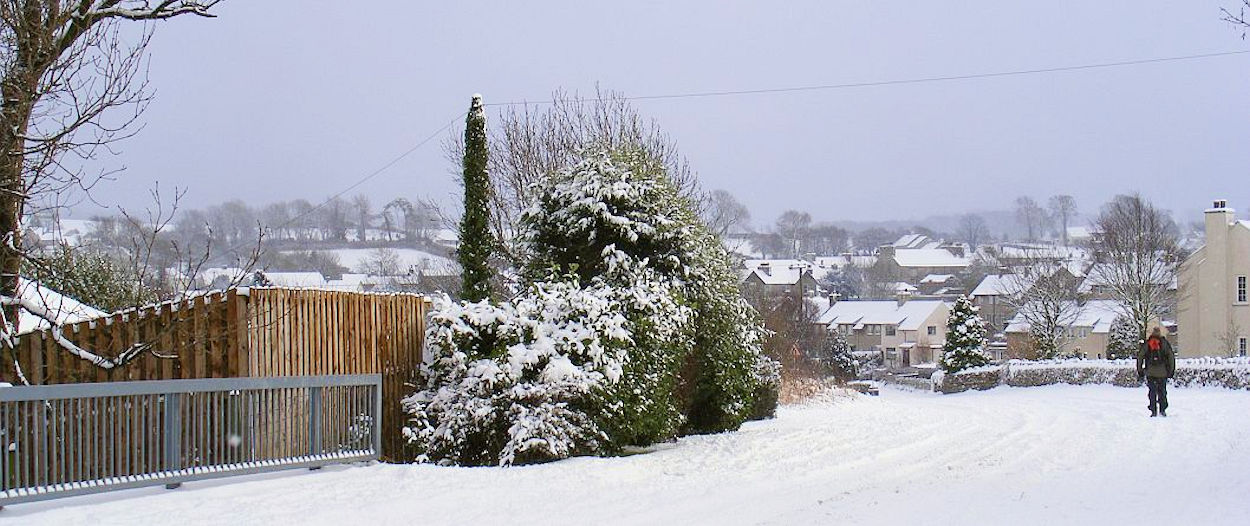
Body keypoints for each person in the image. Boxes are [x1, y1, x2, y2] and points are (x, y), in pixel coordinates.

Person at [1136, 326, 1176, 417]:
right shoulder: (1164, 343)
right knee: (1162, 391)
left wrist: (1140, 370)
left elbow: (1140, 356)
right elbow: (1171, 357)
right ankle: (1162, 409)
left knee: (1152, 392)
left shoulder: (1147, 343)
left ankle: (1153, 410)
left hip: (1150, 372)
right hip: (1162, 372)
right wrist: (1171, 370)